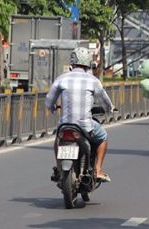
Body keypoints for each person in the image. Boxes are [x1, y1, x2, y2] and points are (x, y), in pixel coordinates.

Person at [45, 46, 116, 183]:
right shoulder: (93, 80)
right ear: (88, 63)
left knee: (58, 141)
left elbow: (49, 101)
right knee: (103, 137)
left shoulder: (62, 78)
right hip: (85, 125)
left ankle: (59, 167)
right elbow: (104, 100)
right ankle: (98, 170)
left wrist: (53, 107)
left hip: (65, 125)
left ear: (72, 62)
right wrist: (110, 109)